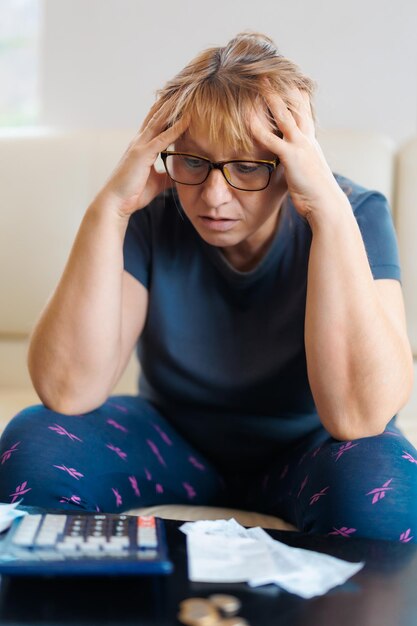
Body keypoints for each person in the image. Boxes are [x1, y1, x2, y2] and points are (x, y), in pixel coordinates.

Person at [0, 31, 415, 542]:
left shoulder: (353, 212)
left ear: (289, 165)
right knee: (33, 447)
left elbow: (360, 415)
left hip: (308, 448)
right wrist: (108, 209)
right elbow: (68, 390)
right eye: (194, 162)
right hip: (174, 440)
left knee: (388, 494)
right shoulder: (152, 215)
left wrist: (328, 211)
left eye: (246, 166)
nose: (213, 196)